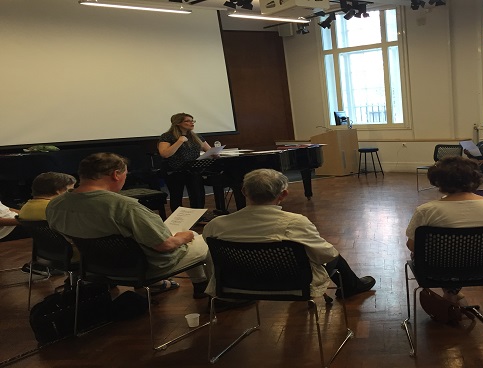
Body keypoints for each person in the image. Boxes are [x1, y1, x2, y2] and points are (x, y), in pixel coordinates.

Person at [46, 153, 212, 298]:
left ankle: (174, 285)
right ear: (116, 174)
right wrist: (183, 237)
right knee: (202, 239)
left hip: (95, 265)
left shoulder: (55, 205)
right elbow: (164, 245)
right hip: (144, 267)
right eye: (126, 174)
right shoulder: (124, 207)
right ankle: (207, 289)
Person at [202, 169, 375, 299]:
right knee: (333, 254)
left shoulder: (216, 225)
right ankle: (352, 287)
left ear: (244, 192)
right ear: (283, 194)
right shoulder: (295, 222)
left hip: (235, 284)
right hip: (291, 284)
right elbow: (326, 254)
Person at [405, 156, 483, 305]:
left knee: (440, 255)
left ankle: (451, 294)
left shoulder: (426, 211)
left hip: (438, 273)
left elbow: (413, 246)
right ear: (476, 178)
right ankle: (452, 294)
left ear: (438, 182)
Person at [158, 113, 213, 212]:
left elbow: (209, 150)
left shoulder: (195, 136)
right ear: (178, 123)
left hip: (193, 169)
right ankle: (178, 218)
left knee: (198, 194)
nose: (192, 123)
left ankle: (198, 216)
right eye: (188, 121)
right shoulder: (167, 136)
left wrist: (215, 153)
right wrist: (179, 141)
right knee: (176, 195)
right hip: (174, 171)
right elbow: (165, 154)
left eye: (193, 120)